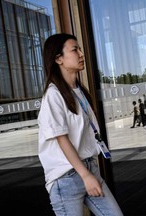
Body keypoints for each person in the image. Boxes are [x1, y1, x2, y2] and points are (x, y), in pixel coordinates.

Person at [38, 33, 123, 216]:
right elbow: (62, 140)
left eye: (80, 49)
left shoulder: (78, 91)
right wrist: (84, 175)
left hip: (88, 168)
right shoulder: (53, 94)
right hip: (66, 177)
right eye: (75, 49)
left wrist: (88, 173)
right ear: (58, 59)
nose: (81, 54)